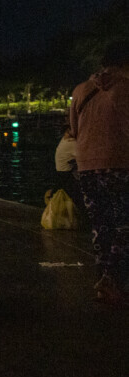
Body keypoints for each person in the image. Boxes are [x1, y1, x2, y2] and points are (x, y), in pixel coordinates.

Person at [70, 42, 129, 304]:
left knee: (101, 226)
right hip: (120, 164)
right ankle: (112, 280)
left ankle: (105, 283)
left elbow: (74, 129)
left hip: (86, 165)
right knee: (125, 225)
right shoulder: (126, 88)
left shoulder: (80, 90)